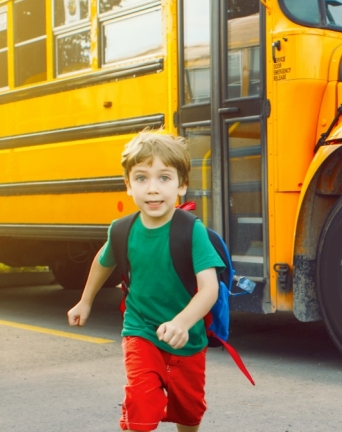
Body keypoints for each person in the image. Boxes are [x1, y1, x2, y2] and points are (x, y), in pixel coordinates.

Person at [67, 132, 225, 432]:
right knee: (140, 402)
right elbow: (103, 263)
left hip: (187, 338)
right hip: (141, 330)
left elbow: (209, 288)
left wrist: (182, 322)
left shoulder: (191, 231)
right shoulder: (122, 230)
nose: (152, 189)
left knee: (188, 411)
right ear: (128, 185)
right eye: (141, 178)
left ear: (182, 185)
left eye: (164, 178)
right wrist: (84, 301)